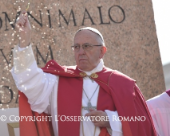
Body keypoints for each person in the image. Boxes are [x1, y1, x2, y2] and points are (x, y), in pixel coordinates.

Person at [11, 12, 156, 136]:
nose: (81, 52)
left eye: (87, 46)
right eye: (77, 47)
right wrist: (24, 39)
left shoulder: (123, 84)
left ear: (102, 51)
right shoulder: (57, 80)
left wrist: (110, 119)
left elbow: (142, 125)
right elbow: (28, 81)